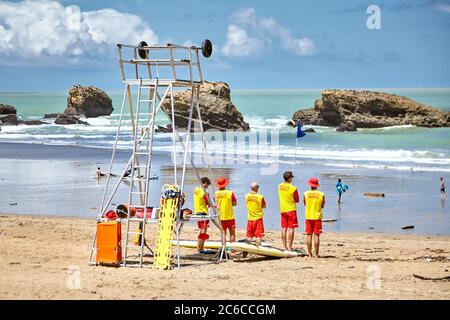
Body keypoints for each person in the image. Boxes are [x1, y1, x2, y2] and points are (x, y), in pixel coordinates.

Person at [303, 177, 325, 258]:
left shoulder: (305, 193)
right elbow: (322, 206)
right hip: (317, 216)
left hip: (308, 216)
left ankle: (309, 254)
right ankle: (316, 254)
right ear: (316, 185)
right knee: (316, 235)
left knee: (309, 235)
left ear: (310, 185)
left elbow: (305, 204)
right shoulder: (321, 194)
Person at [278, 171, 299, 251]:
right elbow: (297, 200)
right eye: (292, 177)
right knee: (291, 228)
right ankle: (289, 247)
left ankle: (284, 246)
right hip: (291, 210)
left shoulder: (279, 186)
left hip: (283, 209)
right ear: (290, 178)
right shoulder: (293, 188)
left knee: (284, 228)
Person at [215, 177, 237, 251]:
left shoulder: (215, 194)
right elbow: (234, 203)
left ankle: (224, 249)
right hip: (229, 216)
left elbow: (215, 203)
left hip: (220, 216)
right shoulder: (230, 193)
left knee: (223, 233)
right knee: (232, 233)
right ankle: (232, 250)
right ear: (225, 184)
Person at [194, 177, 213, 253]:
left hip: (197, 211)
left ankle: (199, 248)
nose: (207, 186)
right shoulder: (204, 192)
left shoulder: (196, 190)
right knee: (203, 231)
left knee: (202, 231)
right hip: (203, 213)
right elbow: (209, 203)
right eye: (207, 184)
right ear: (204, 183)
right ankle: (200, 249)